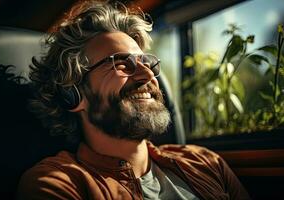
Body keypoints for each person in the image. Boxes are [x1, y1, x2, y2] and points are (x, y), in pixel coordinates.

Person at [17, 1, 251, 200]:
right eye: (121, 63)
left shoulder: (206, 162)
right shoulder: (58, 185)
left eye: (147, 63)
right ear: (73, 93)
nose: (148, 74)